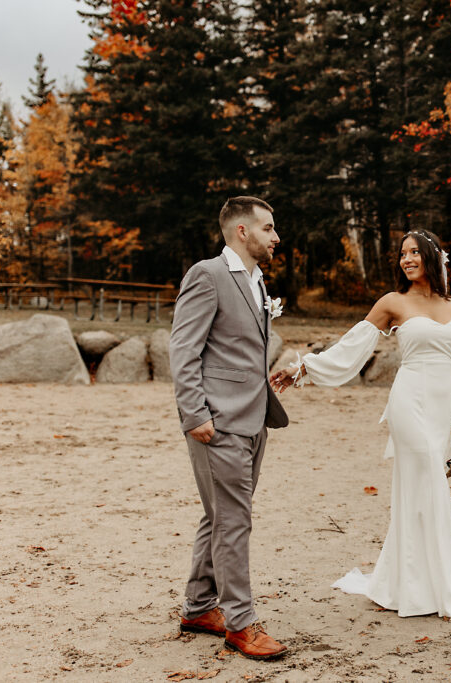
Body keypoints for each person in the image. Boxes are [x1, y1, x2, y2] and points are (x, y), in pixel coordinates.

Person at [270, 229, 451, 619]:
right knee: (429, 480)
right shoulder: (393, 302)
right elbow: (354, 346)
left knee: (422, 488)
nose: (407, 259)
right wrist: (305, 368)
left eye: (415, 252)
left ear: (433, 256)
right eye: (402, 254)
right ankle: (430, 588)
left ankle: (410, 583)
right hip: (409, 401)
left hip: (438, 408)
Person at [169, 196, 290, 660]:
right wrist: (196, 414)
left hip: (253, 419)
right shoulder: (208, 274)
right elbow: (183, 349)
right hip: (216, 423)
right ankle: (240, 622)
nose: (275, 236)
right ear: (242, 231)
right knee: (234, 521)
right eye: (268, 227)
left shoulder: (256, 280)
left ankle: (200, 607)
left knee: (219, 517)